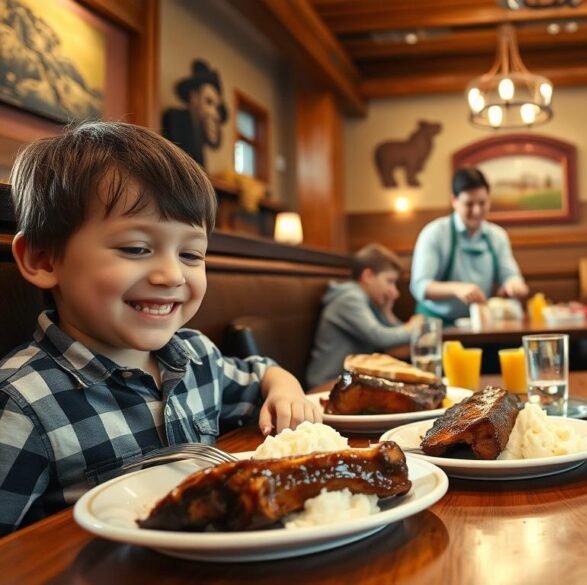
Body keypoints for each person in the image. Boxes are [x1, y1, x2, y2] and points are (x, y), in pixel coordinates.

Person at [0, 122, 319, 535]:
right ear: (43, 260)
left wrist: (285, 388)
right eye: (136, 249)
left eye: (190, 254)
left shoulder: (196, 356)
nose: (171, 275)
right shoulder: (23, 403)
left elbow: (259, 375)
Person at [410, 167, 528, 324]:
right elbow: (420, 286)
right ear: (454, 201)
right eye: (469, 204)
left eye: (482, 203)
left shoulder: (497, 236)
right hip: (436, 324)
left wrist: (514, 284)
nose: (477, 210)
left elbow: (511, 276)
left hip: (479, 324)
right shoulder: (434, 233)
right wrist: (457, 289)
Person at [306, 244, 424, 388]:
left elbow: (394, 341)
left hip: (349, 379)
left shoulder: (368, 300)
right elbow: (380, 337)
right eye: (390, 281)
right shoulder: (349, 298)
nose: (395, 292)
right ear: (368, 276)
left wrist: (388, 314)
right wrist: (412, 328)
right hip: (327, 383)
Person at [160, 59, 228, 168]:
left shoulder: (198, 133)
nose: (215, 114)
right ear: (194, 97)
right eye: (209, 101)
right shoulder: (176, 118)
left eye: (217, 107)